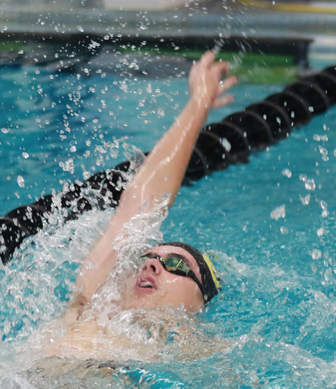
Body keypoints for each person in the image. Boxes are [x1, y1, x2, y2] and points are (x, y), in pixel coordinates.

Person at [37, 51, 236, 361]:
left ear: (201, 301)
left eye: (178, 265)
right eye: (146, 259)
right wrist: (199, 102)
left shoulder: (208, 355)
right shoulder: (91, 309)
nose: (150, 266)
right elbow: (141, 206)